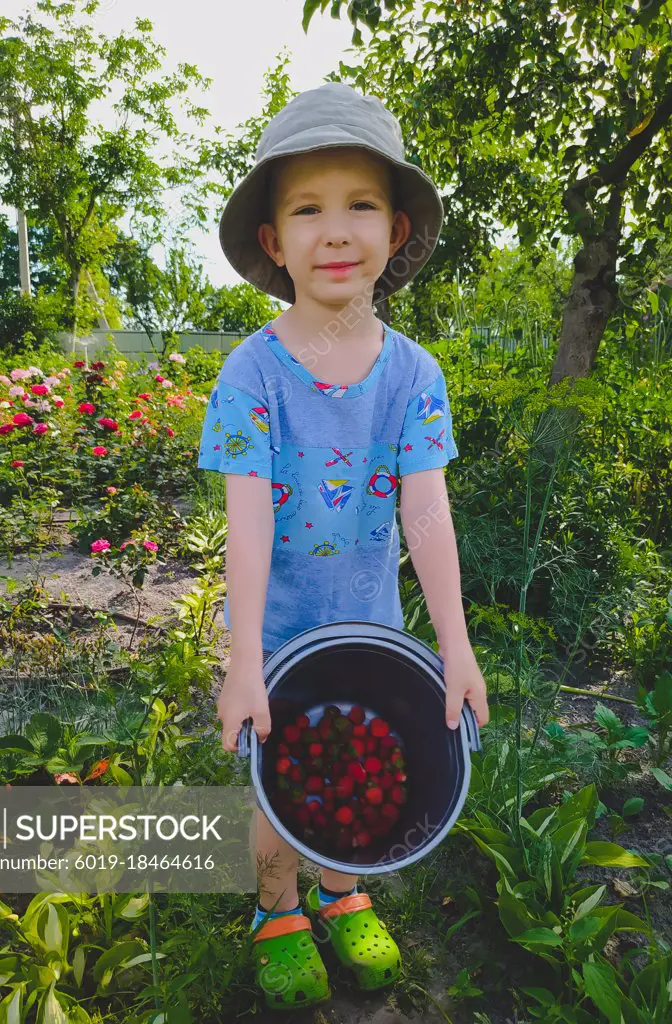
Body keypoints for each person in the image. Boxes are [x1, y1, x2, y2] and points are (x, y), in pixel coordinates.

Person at [197, 81, 489, 1010]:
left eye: (360, 204)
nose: (335, 230)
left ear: (395, 233)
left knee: (362, 760)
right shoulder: (252, 374)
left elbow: (426, 510)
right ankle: (278, 910)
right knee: (282, 781)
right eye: (307, 208)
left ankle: (343, 888)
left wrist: (455, 644)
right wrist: (244, 656)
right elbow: (245, 519)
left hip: (369, 621)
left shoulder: (413, 374)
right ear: (274, 243)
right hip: (278, 626)